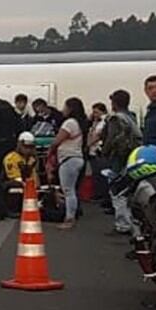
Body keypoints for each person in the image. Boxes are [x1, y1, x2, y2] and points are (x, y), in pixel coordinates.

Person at [102, 89, 142, 234]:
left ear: (114, 103)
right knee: (129, 189)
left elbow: (111, 138)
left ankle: (122, 224)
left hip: (118, 157)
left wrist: (105, 151)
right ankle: (132, 222)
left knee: (117, 190)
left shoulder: (115, 118)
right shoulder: (132, 117)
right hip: (133, 156)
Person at [50, 97, 89, 230]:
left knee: (68, 190)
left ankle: (69, 218)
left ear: (70, 108)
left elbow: (57, 140)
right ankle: (72, 214)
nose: (63, 110)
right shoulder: (80, 123)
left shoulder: (69, 123)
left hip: (68, 159)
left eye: (65, 107)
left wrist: (51, 150)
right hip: (77, 158)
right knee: (72, 190)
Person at [88, 102, 110, 204]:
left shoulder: (105, 122)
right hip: (92, 150)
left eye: (96, 112)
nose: (94, 114)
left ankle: (102, 194)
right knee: (95, 174)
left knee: (101, 174)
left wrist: (89, 144)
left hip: (99, 149)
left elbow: (99, 135)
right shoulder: (95, 122)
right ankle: (98, 193)